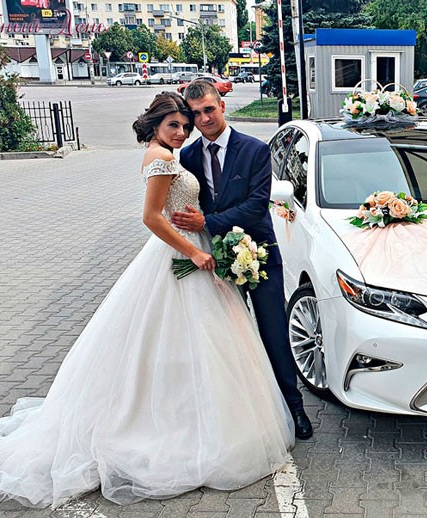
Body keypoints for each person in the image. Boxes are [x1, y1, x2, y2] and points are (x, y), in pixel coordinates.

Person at [0, 92, 294, 508]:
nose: (184, 130)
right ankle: (178, 424)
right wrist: (193, 252)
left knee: (214, 338)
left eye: (187, 123)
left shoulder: (185, 153)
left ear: (220, 108)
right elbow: (151, 216)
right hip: (184, 253)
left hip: (210, 245)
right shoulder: (165, 157)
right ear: (155, 125)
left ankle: (251, 411)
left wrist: (202, 234)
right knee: (182, 337)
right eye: (176, 123)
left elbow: (245, 202)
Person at [170, 80, 313, 440]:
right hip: (215, 258)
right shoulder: (188, 156)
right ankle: (242, 414)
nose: (204, 118)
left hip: (260, 254)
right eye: (196, 114)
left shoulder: (254, 149)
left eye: (209, 109)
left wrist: (206, 222)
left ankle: (294, 407)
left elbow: (255, 205)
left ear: (222, 106)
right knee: (229, 336)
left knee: (273, 332)